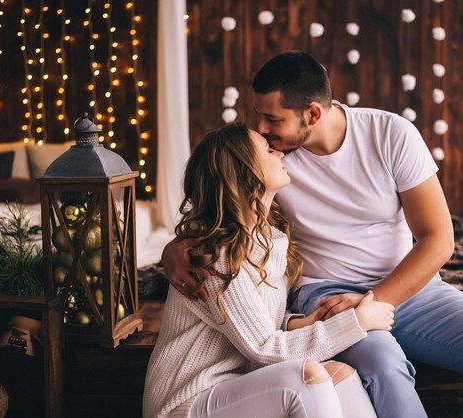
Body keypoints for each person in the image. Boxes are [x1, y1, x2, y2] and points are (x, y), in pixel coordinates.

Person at [161, 51, 463, 418]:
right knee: (384, 365)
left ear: (313, 113)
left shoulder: (391, 134)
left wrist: (370, 302)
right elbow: (219, 208)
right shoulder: (270, 156)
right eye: (259, 115)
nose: (261, 127)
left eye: (271, 118)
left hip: (411, 288)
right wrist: (174, 248)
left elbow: (438, 238)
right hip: (324, 292)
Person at [143, 122, 394, 418]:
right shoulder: (213, 255)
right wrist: (358, 321)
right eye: (267, 149)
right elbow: (264, 349)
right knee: (305, 378)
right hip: (186, 403)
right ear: (244, 171)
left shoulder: (270, 240)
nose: (280, 153)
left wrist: (306, 321)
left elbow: (257, 322)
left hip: (237, 389)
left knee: (343, 375)